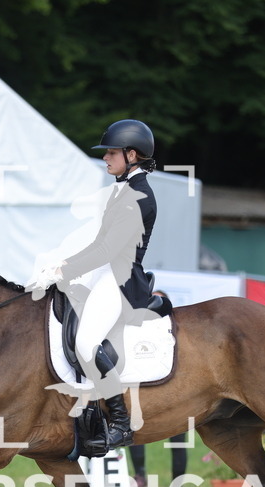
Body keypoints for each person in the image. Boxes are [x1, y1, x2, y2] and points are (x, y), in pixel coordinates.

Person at [30, 119, 158, 452]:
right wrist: (61, 266)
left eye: (112, 153)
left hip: (121, 281)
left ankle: (120, 423)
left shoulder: (138, 195)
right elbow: (98, 243)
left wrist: (65, 268)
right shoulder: (125, 190)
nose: (106, 159)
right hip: (104, 274)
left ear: (132, 154)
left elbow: (108, 250)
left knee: (86, 344)